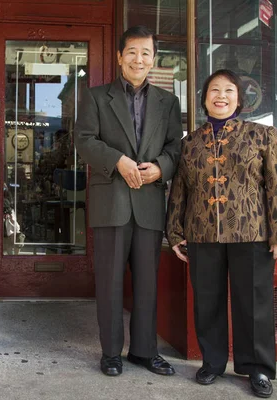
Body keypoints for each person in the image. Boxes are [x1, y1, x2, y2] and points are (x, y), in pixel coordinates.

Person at [166, 69, 277, 398]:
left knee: (255, 304)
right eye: (214, 90)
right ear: (204, 97)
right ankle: (212, 362)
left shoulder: (262, 136)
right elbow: (180, 190)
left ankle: (258, 369)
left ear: (239, 99)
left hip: (252, 233)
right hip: (202, 232)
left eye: (228, 90)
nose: (220, 95)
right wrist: (176, 231)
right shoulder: (190, 143)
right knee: (207, 302)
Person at [74, 25, 182, 377]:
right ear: (120, 57)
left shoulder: (169, 102)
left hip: (150, 201)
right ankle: (110, 353)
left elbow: (175, 149)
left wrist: (161, 169)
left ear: (153, 60)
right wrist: (118, 161)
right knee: (110, 282)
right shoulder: (95, 97)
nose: (139, 59)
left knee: (147, 283)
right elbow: (84, 141)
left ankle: (144, 351)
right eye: (132, 52)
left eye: (146, 53)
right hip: (112, 201)